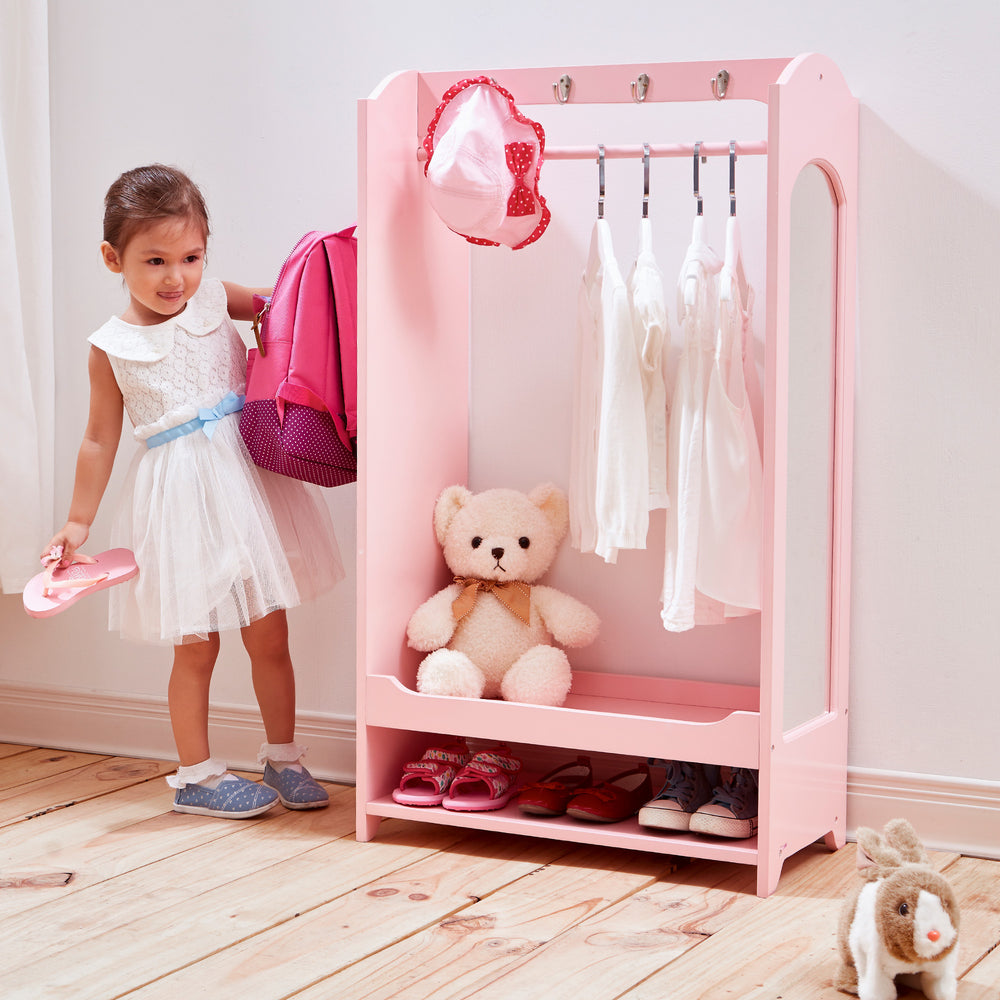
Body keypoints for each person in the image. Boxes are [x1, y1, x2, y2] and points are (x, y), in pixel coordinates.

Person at [45, 164, 344, 818]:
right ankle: (198, 776)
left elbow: (283, 304)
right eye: (155, 260)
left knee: (270, 632)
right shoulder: (111, 346)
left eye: (191, 257)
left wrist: (334, 284)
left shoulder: (212, 300)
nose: (176, 276)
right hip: (178, 499)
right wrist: (76, 522)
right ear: (112, 259)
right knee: (195, 641)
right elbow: (99, 438)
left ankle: (283, 754)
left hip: (249, 483)